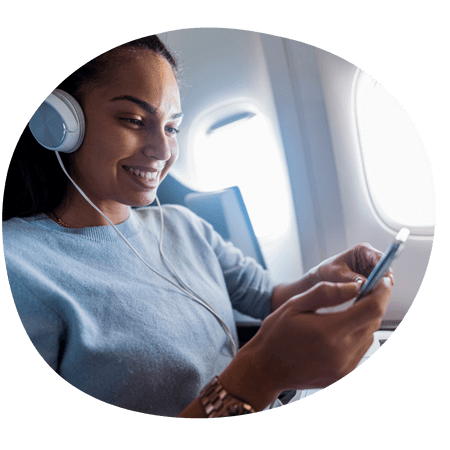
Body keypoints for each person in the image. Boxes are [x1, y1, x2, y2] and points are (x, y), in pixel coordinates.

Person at [2, 35, 393, 418]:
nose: (162, 149)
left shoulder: (184, 225)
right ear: (63, 123)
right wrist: (261, 373)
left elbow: (267, 297)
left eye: (172, 127)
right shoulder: (19, 263)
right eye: (135, 120)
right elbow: (258, 371)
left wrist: (321, 277)